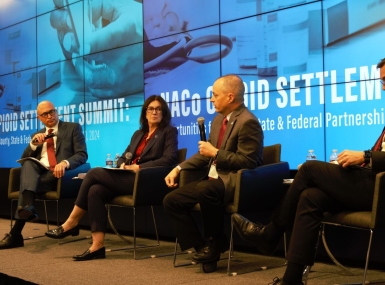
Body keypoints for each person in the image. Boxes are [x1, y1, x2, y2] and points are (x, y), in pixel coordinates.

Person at [232, 59, 385, 285]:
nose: (382, 87)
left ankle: (270, 234)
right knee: (310, 197)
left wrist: (365, 156)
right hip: (371, 182)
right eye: (381, 81)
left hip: (379, 190)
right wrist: (360, 162)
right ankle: (292, 279)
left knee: (310, 169)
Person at [45, 95, 178, 261]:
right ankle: (97, 246)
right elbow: (124, 155)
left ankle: (71, 222)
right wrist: (122, 164)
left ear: (164, 113)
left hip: (147, 180)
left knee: (94, 173)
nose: (155, 112)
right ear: (145, 113)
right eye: (151, 109)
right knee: (95, 190)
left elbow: (170, 159)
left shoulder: (169, 132)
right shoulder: (139, 134)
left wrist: (139, 167)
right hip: (128, 177)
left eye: (159, 109)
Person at [163, 74, 264, 272]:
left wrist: (216, 153)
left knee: (205, 188)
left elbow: (249, 162)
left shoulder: (248, 122)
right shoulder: (219, 120)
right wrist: (178, 168)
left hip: (234, 181)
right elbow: (204, 154)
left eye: (214, 95)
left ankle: (216, 241)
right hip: (213, 179)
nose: (211, 99)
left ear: (230, 97)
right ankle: (205, 247)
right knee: (171, 200)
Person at [0, 100, 88, 250]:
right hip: (39, 174)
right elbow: (24, 159)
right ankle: (27, 206)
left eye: (52, 111)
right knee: (28, 164)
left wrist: (65, 162)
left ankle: (16, 231)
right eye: (45, 114)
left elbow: (82, 154)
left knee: (27, 184)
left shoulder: (72, 128)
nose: (50, 116)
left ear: (56, 111)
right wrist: (34, 145)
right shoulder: (37, 135)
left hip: (60, 174)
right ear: (39, 117)